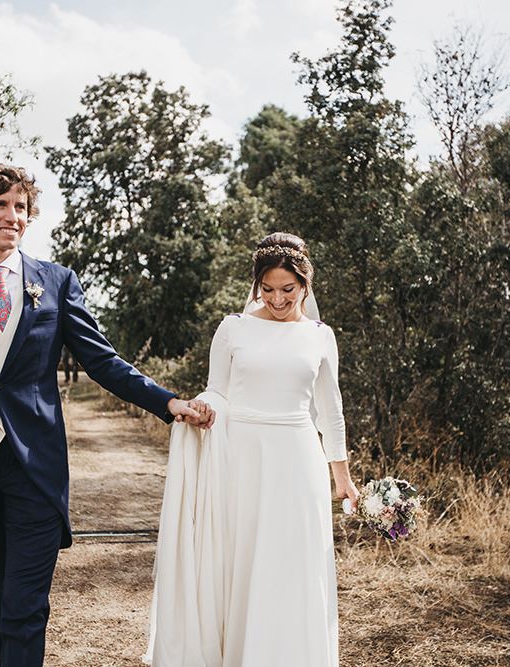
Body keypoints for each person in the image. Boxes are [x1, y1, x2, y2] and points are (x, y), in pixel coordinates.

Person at [0, 164, 215, 667]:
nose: (12, 216)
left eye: (20, 207)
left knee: (23, 607)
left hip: (35, 468)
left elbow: (102, 360)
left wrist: (168, 401)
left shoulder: (57, 282)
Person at [145, 232, 359, 667]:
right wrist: (202, 407)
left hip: (298, 460)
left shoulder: (320, 336)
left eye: (288, 289)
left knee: (291, 565)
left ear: (306, 285)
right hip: (240, 458)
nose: (278, 299)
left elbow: (329, 412)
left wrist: (343, 478)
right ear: (256, 285)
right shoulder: (234, 328)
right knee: (241, 563)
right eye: (268, 289)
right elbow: (217, 390)